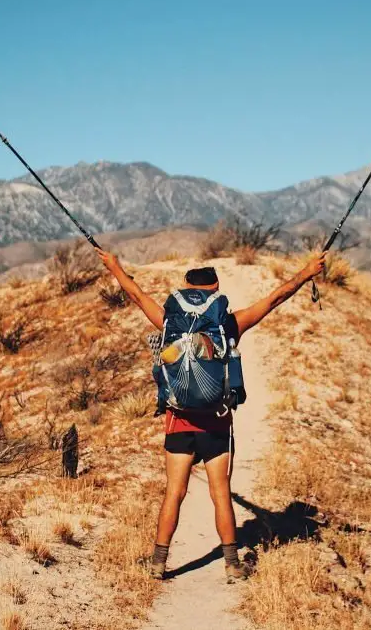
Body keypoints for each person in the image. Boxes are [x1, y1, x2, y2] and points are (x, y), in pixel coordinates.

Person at [95, 247, 328, 582]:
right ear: (215, 293)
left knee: (174, 492)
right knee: (220, 493)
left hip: (178, 421)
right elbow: (276, 297)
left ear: (187, 292)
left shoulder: (167, 322)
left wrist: (115, 266)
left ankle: (159, 563)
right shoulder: (230, 325)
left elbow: (134, 293)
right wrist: (306, 273)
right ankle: (233, 565)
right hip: (217, 425)